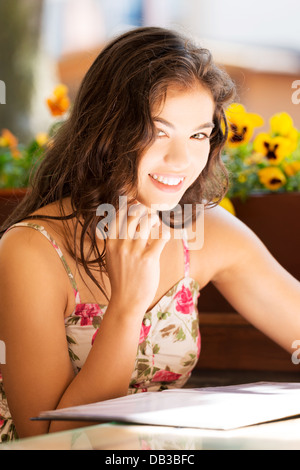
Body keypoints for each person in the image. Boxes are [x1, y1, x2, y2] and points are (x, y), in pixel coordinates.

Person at [0, 26, 299, 443]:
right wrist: (128, 306)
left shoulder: (206, 231)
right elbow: (53, 439)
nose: (181, 159)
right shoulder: (31, 250)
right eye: (158, 131)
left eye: (198, 134)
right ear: (105, 129)